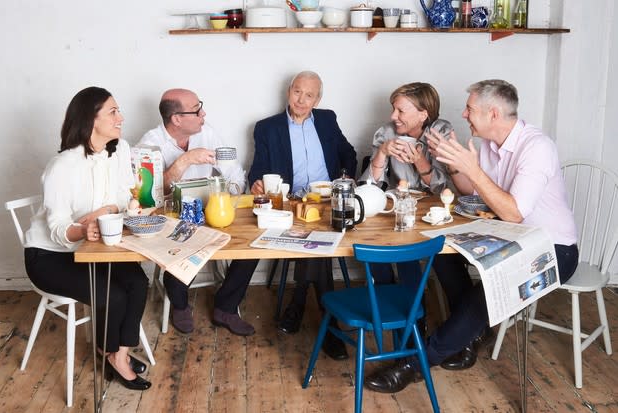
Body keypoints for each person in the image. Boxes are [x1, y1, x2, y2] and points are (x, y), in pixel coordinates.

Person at [365, 79, 579, 394]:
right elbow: (470, 190)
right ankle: (470, 337)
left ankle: (415, 364)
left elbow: (513, 212)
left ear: (492, 113)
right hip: (511, 236)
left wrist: (472, 168)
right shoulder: (491, 145)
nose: (464, 114)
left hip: (552, 248)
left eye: (470, 109)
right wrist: (454, 165)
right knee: (439, 250)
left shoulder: (537, 147)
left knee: (487, 295)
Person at [24, 87, 151, 391]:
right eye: (113, 112)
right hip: (50, 255)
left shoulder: (120, 149)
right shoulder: (62, 166)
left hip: (95, 246)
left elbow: (122, 196)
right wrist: (82, 229)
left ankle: (117, 354)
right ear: (90, 119)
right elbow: (57, 226)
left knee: (138, 282)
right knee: (114, 295)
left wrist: (106, 211)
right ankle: (113, 357)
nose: (121, 117)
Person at [248, 70, 357, 360]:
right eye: (297, 91)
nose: (302, 99)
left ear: (317, 99)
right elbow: (257, 171)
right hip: (293, 204)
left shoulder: (327, 119)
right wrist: (257, 183)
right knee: (316, 242)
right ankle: (328, 321)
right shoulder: (267, 128)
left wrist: (343, 181)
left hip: (329, 200)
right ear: (288, 92)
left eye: (309, 94)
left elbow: (349, 153)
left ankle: (298, 304)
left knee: (317, 240)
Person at [138, 88, 255, 336]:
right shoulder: (149, 145)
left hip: (211, 211)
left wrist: (230, 196)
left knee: (252, 244)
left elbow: (234, 173)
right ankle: (179, 303)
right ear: (176, 119)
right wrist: (185, 160)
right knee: (183, 240)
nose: (204, 113)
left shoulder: (207, 133)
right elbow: (146, 195)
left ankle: (226, 306)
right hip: (171, 219)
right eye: (196, 109)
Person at [359, 82, 453, 286]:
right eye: (393, 109)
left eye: (400, 110)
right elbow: (370, 189)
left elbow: (442, 189)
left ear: (423, 114)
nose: (393, 116)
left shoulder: (439, 132)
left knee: (412, 248)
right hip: (396, 211)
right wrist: (382, 152)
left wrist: (419, 161)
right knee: (376, 242)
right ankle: (390, 295)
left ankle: (413, 307)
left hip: (433, 213)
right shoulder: (387, 133)